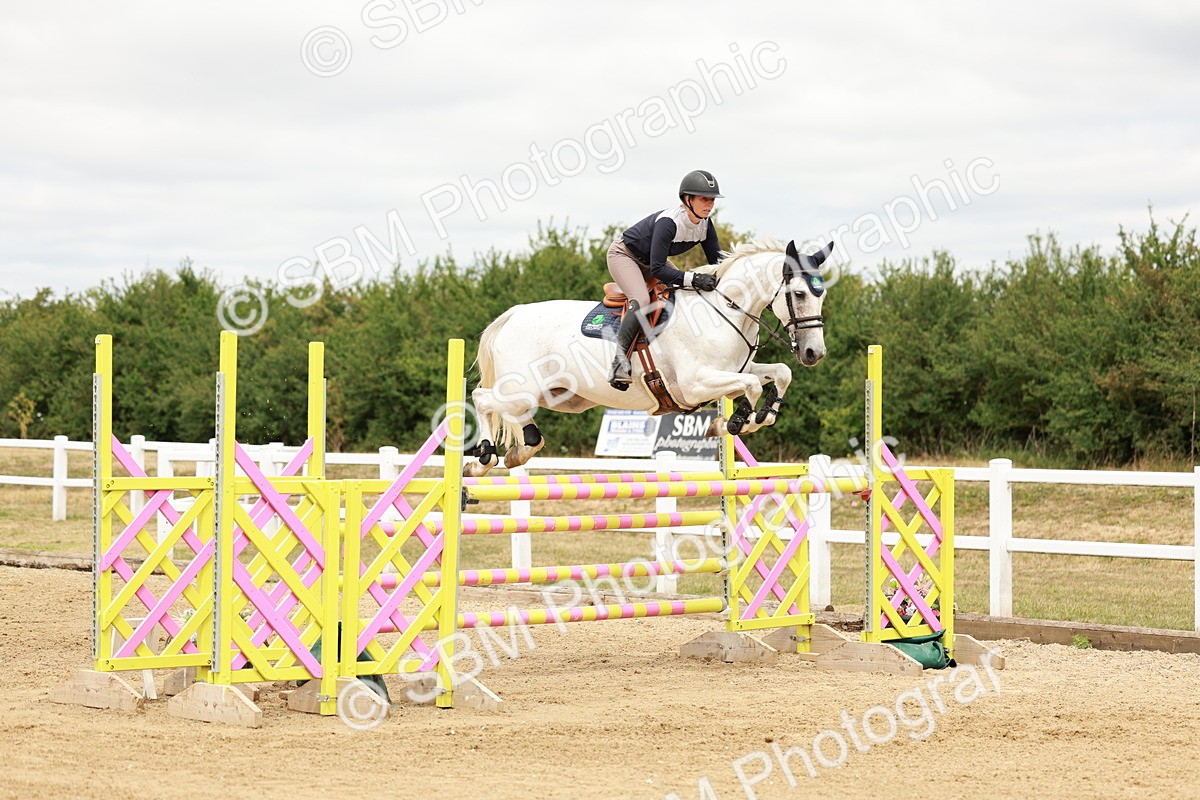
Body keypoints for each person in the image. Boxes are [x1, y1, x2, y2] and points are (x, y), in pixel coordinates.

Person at [606, 169, 724, 389]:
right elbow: (658, 268)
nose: (709, 204)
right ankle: (619, 362)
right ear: (688, 200)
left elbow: (718, 263)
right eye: (703, 199)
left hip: (651, 260)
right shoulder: (669, 222)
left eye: (712, 200)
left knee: (683, 294)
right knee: (641, 299)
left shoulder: (706, 225)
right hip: (625, 255)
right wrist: (694, 278)